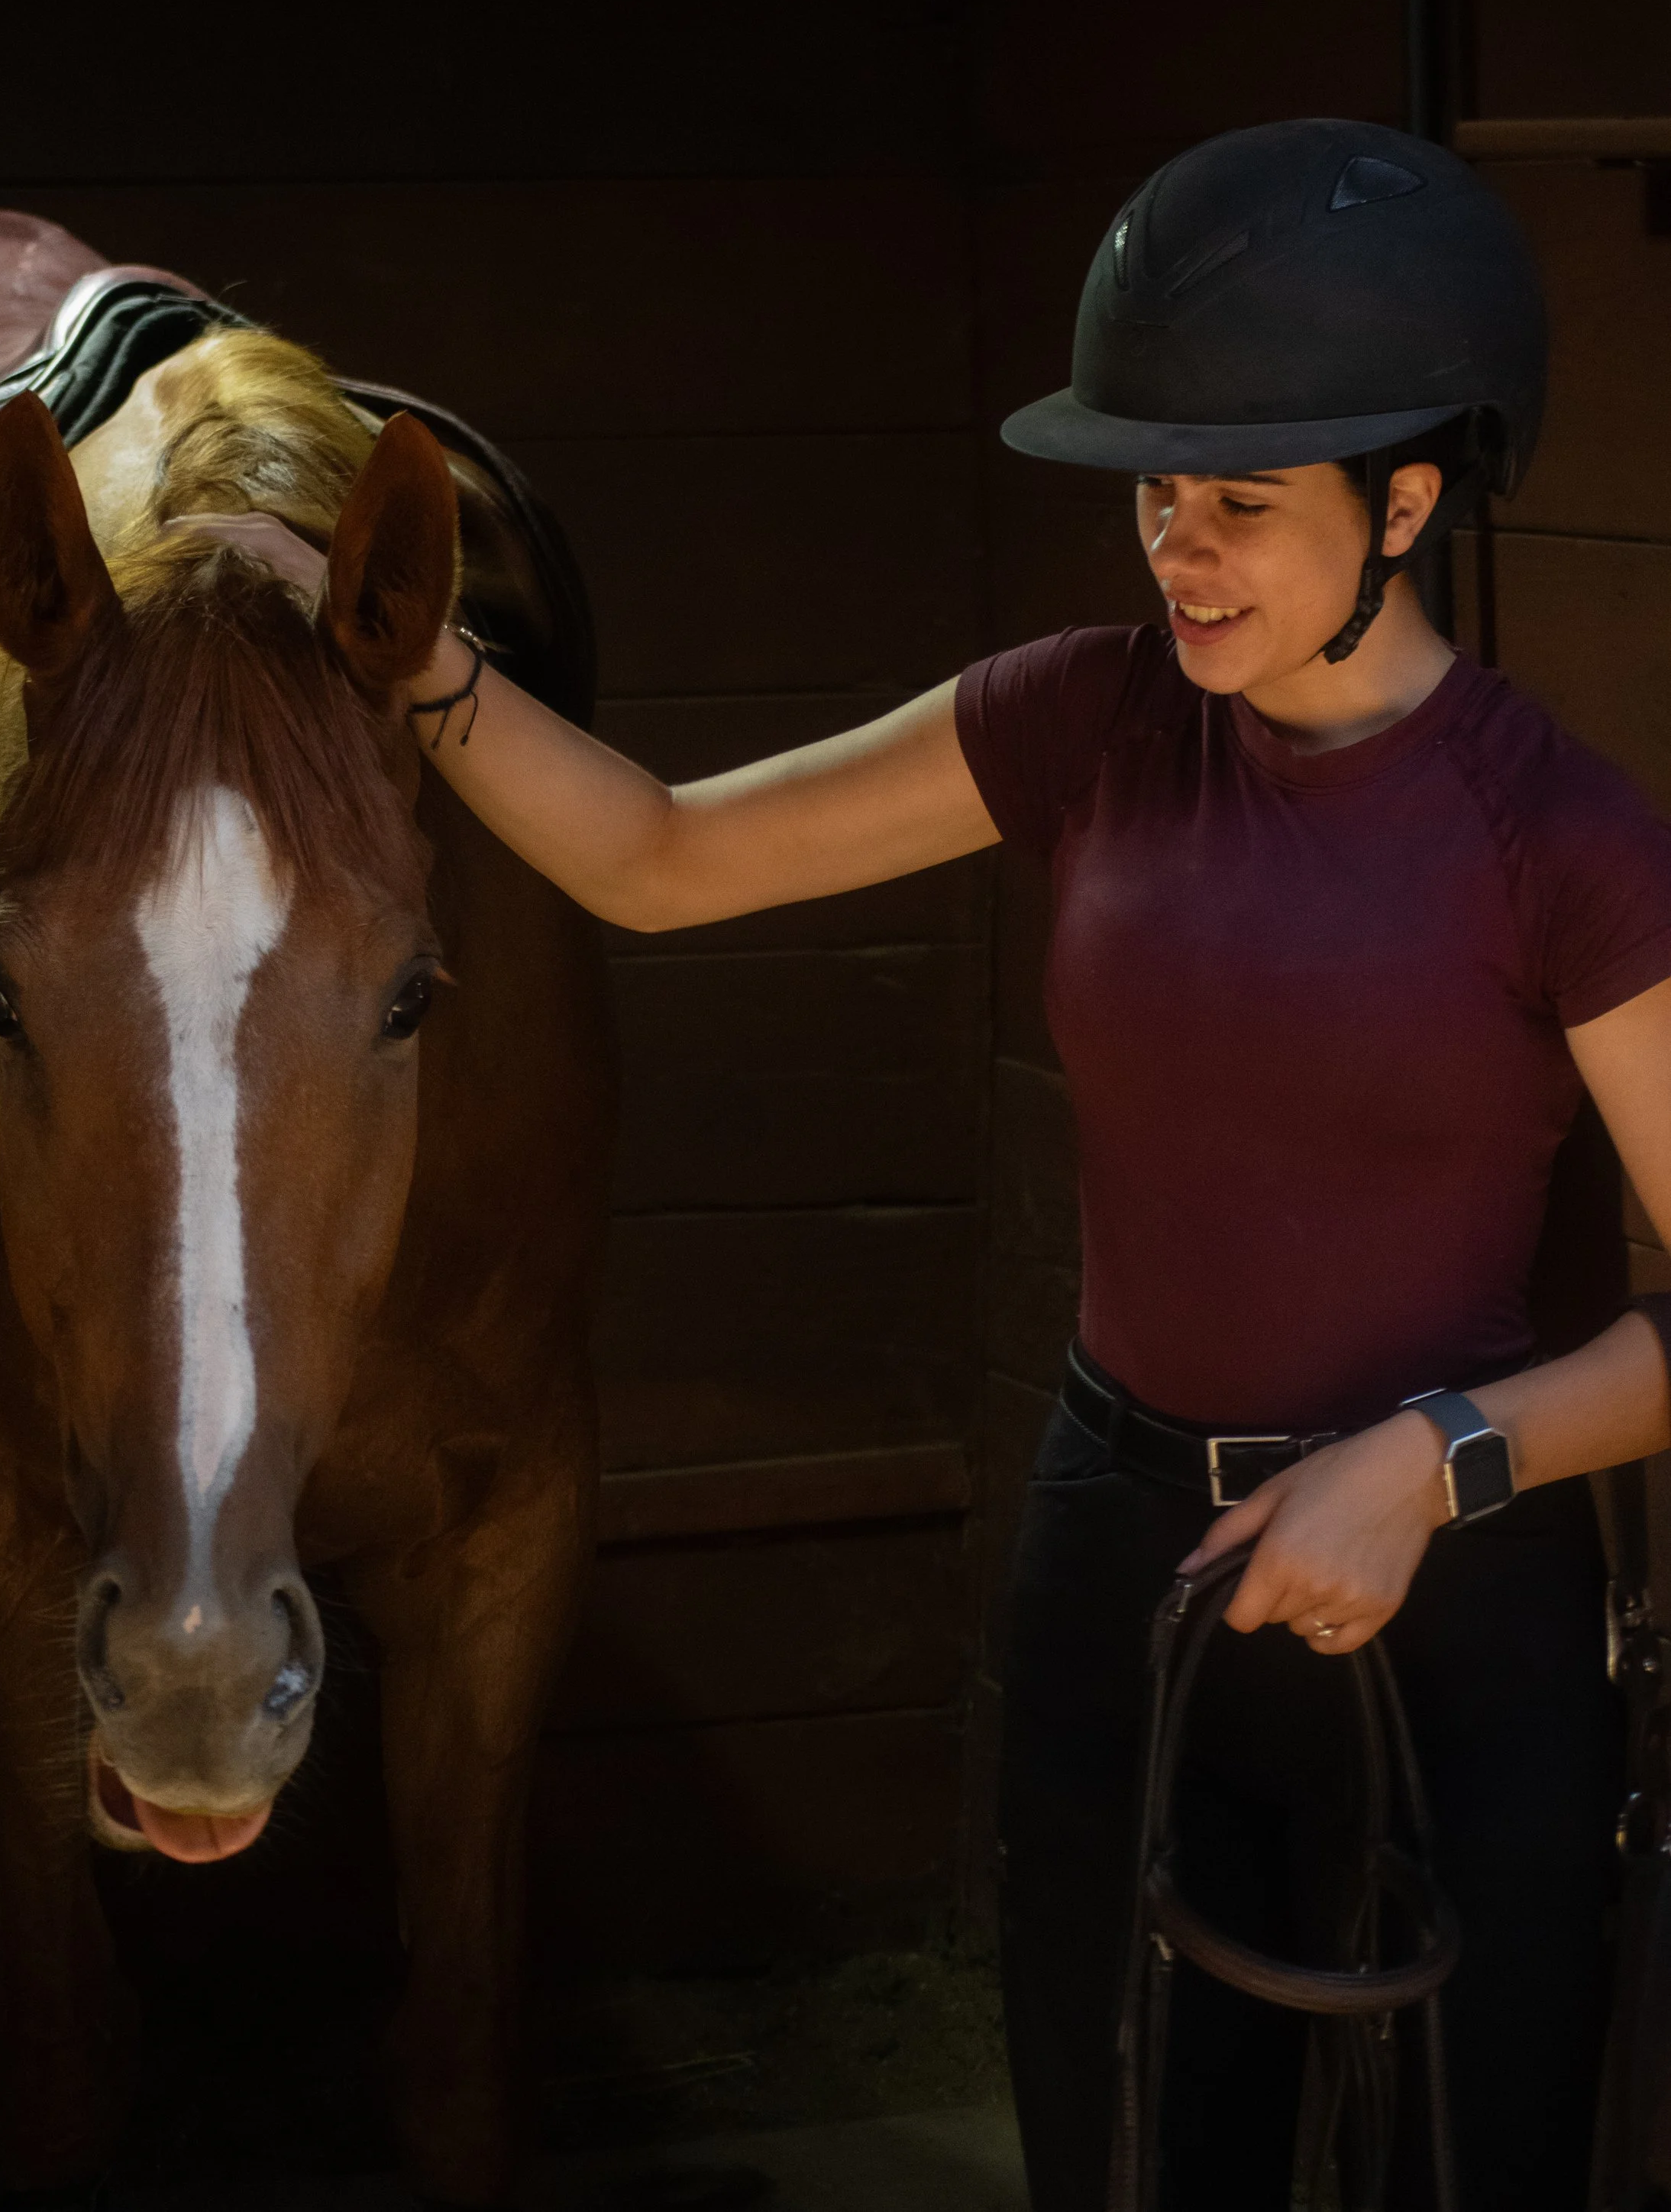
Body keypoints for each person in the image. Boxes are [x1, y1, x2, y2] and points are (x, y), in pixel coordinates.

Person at [385, 118, 1671, 2210]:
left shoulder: (1564, 838)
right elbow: (660, 854)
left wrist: (1432, 1453)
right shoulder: (1079, 724)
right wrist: (404, 664)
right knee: (1125, 2145)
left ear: (1406, 498)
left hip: (1457, 1594)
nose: (1178, 551)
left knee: (1465, 2157)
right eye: (1157, 497)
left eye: (1241, 506)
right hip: (1121, 1556)